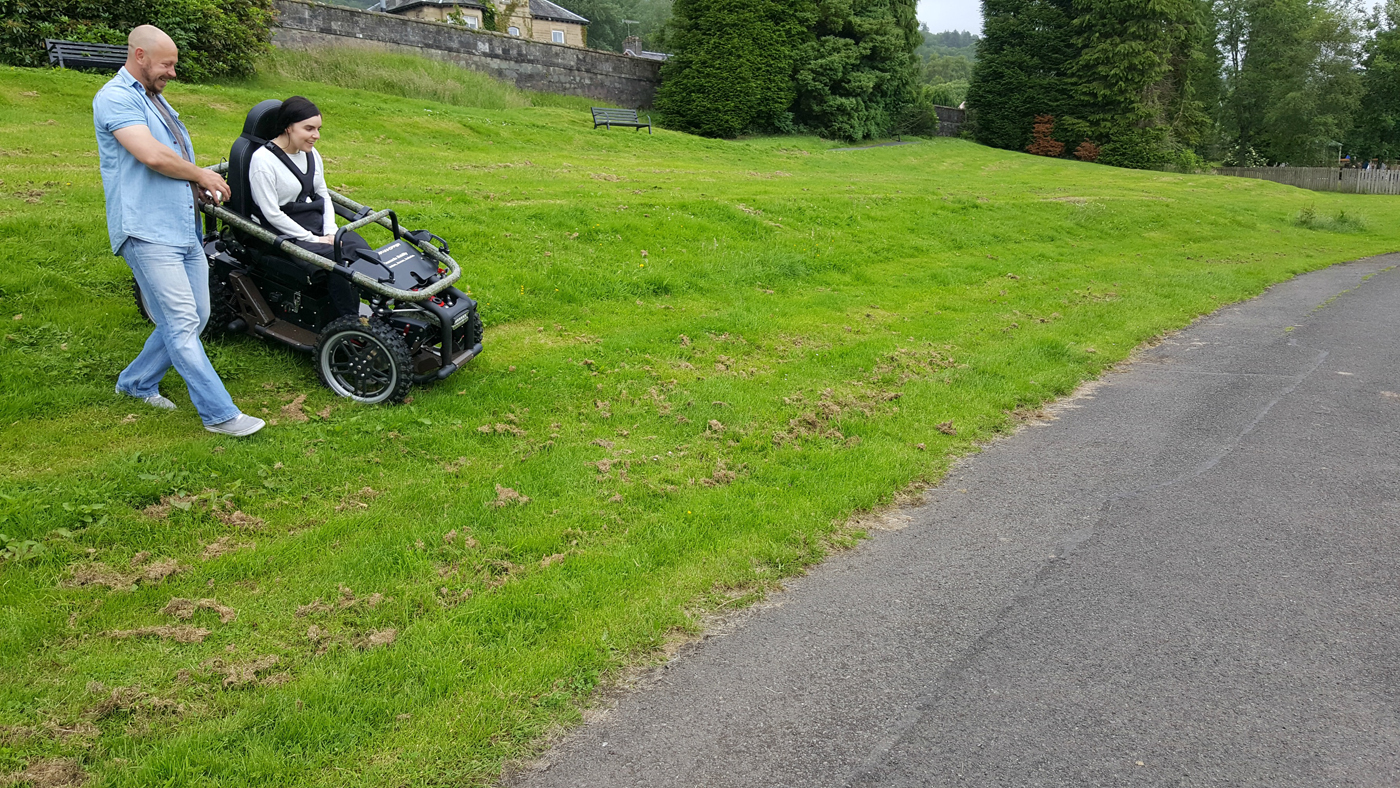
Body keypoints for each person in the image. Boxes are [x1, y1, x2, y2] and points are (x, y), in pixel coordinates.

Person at [94, 25, 265, 437]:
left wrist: (195, 188)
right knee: (182, 320)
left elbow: (171, 158)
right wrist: (201, 174)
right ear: (140, 56)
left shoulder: (157, 100)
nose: (172, 72)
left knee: (196, 316)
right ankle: (220, 414)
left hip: (181, 226)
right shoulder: (114, 97)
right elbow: (151, 155)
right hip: (145, 229)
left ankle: (135, 383)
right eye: (167, 64)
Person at [249, 96, 377, 318]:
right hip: (284, 232)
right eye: (308, 129)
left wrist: (330, 230)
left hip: (313, 222)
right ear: (288, 127)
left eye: (318, 129)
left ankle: (386, 307)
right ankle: (350, 323)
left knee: (361, 251)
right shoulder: (263, 161)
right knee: (338, 265)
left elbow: (323, 194)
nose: (316, 136)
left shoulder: (311, 154)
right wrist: (313, 238)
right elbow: (271, 213)